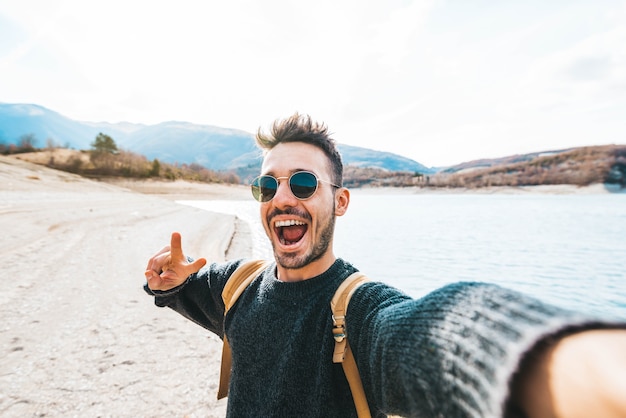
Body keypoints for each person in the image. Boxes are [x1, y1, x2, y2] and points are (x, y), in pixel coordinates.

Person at [144, 113, 626, 417]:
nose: (283, 198)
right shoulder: (237, 285)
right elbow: (187, 291)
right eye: (268, 186)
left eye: (305, 183)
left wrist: (563, 362)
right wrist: (165, 285)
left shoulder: (358, 312)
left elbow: (435, 336)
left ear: (342, 201)